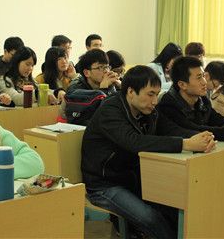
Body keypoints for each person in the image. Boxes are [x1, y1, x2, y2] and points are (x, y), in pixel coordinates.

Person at [81, 66, 216, 239]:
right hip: (104, 185)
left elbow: (171, 129)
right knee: (151, 218)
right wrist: (186, 144)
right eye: (150, 94)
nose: (155, 101)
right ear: (131, 92)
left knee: (175, 207)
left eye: (157, 95)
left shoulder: (147, 111)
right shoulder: (110, 110)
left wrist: (201, 137)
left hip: (135, 178)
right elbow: (135, 142)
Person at [157, 57, 224, 142]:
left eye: (203, 76)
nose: (204, 82)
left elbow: (219, 120)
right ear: (182, 85)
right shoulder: (169, 104)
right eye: (199, 78)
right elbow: (195, 129)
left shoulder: (202, 100)